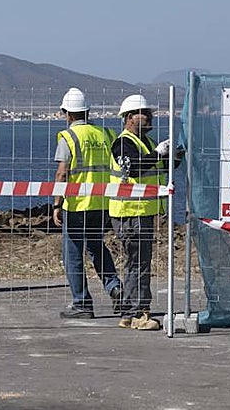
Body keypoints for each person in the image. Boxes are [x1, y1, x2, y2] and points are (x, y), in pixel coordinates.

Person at [109, 94, 181, 331]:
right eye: (144, 113)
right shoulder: (123, 143)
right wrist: (158, 154)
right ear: (130, 118)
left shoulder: (146, 143)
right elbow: (135, 168)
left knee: (136, 263)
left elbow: (156, 166)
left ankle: (130, 313)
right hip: (130, 212)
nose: (149, 117)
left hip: (140, 211)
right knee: (137, 263)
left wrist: (174, 154)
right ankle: (138, 313)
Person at [52, 87, 123, 320]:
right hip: (103, 203)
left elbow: (62, 173)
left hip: (76, 205)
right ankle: (115, 287)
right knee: (96, 247)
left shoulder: (68, 137)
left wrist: (56, 203)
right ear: (87, 111)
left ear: (67, 114)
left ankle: (82, 302)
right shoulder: (105, 134)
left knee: (73, 254)